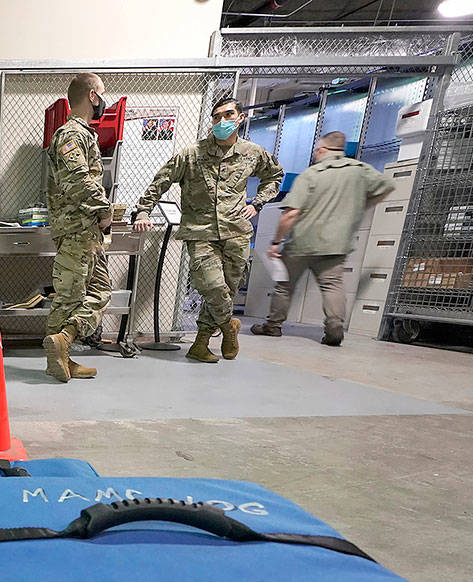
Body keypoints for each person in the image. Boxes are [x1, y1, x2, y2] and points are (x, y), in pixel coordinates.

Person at [134, 95, 284, 363]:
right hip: (200, 231)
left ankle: (200, 344)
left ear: (240, 118)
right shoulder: (192, 154)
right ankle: (229, 326)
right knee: (212, 286)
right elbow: (162, 180)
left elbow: (274, 175)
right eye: (216, 117)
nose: (221, 121)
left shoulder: (252, 153)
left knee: (225, 289)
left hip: (236, 233)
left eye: (227, 115)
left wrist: (257, 204)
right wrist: (143, 210)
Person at [252, 131, 394, 346]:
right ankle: (334, 325)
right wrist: (363, 204)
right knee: (332, 285)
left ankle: (273, 326)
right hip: (336, 243)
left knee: (284, 285)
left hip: (302, 242)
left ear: (322, 150)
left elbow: (290, 213)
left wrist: (275, 242)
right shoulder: (360, 171)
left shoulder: (312, 174)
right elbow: (387, 186)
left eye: (317, 150)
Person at [42, 72, 112, 382]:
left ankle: (64, 342)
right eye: (102, 94)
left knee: (100, 291)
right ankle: (58, 357)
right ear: (93, 97)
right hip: (76, 230)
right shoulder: (70, 134)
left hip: (87, 231)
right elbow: (77, 180)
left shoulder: (84, 134)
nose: (104, 101)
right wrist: (104, 209)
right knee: (69, 295)